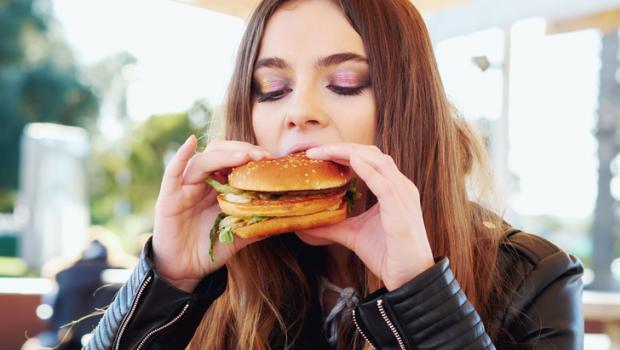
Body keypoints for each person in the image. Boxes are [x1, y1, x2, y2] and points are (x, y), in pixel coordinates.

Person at [85, 0, 583, 349]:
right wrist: (169, 280)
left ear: (408, 107)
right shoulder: (213, 274)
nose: (299, 110)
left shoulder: (534, 278)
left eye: (345, 82)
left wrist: (418, 290)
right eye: (272, 88)